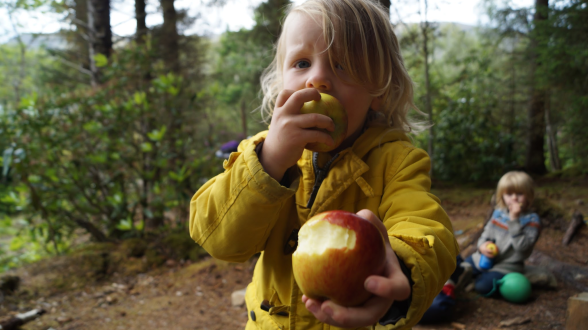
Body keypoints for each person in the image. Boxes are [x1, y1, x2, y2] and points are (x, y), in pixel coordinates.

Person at [189, 0, 458, 329]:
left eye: (343, 65)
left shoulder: (397, 162)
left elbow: (428, 230)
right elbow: (219, 240)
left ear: (379, 91)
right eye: (302, 63)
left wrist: (398, 270)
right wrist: (270, 162)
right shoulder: (260, 156)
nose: (318, 79)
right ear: (280, 85)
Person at [420, 171, 541, 323]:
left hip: (507, 265)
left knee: (482, 286)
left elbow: (523, 248)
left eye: (519, 194)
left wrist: (514, 220)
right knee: (463, 266)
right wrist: (483, 246)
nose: (514, 198)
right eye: (509, 194)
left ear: (529, 196)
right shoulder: (498, 213)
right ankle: (452, 283)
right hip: (485, 258)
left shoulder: (532, 220)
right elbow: (486, 234)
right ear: (502, 196)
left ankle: (481, 280)